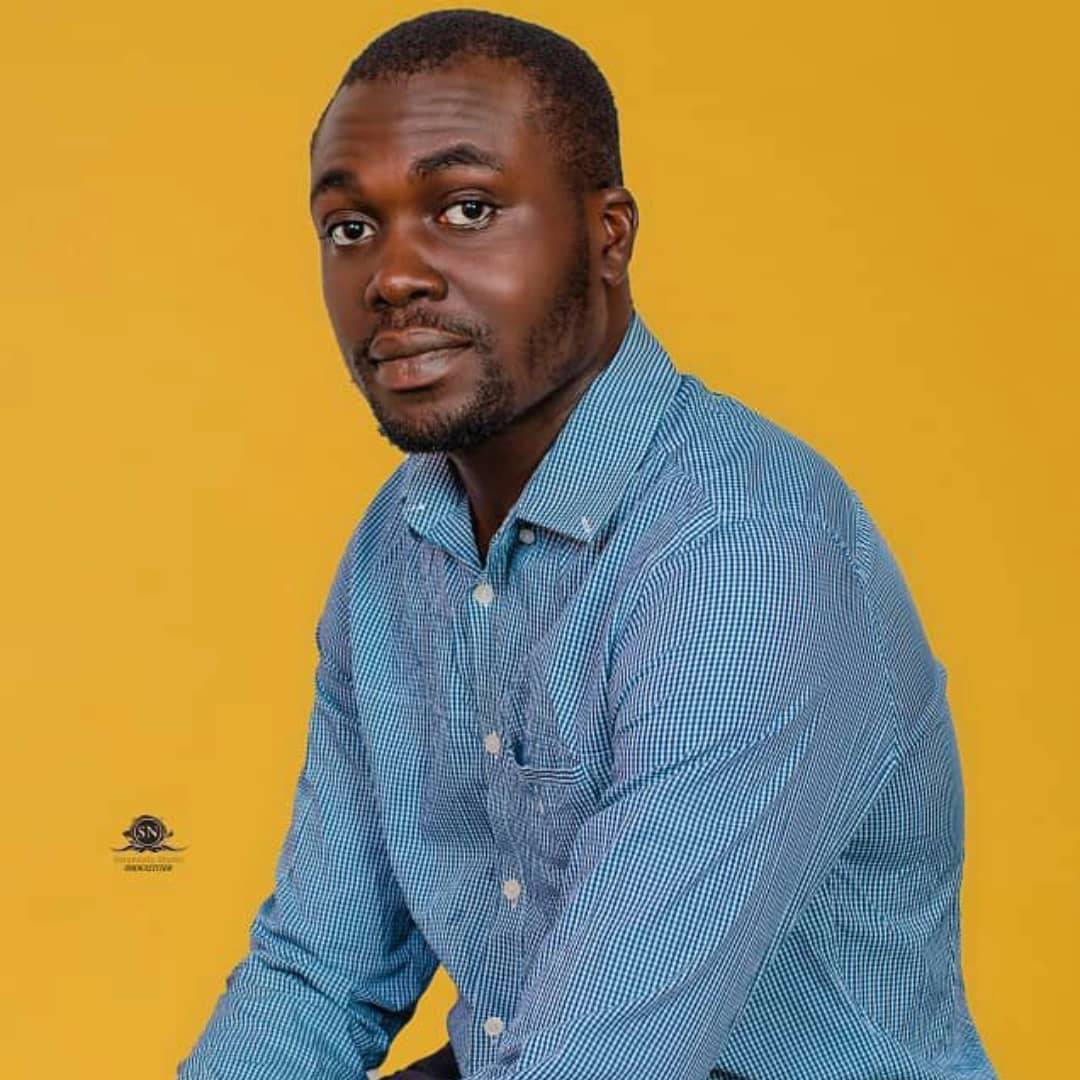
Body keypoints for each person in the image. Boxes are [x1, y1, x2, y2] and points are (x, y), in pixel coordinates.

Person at [178, 9, 996, 1079]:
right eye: (349, 227)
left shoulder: (741, 557)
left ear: (608, 236)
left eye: (467, 209)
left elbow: (604, 1054)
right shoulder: (399, 548)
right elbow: (316, 976)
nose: (392, 275)